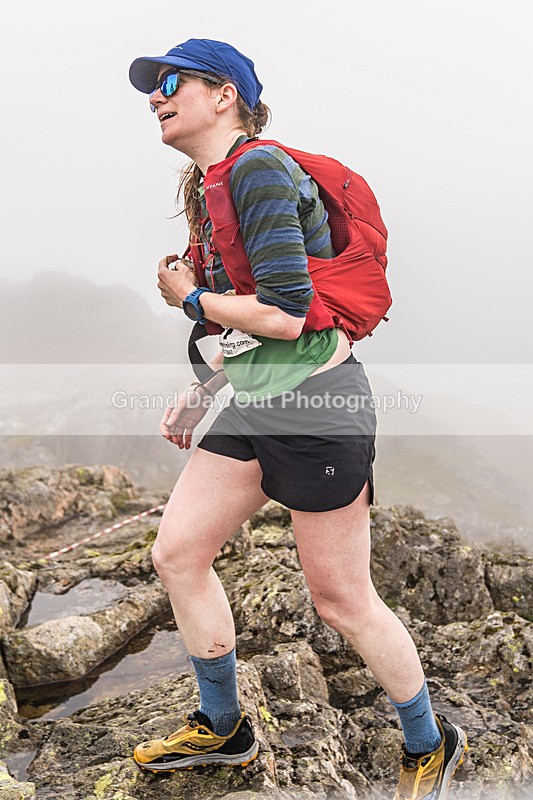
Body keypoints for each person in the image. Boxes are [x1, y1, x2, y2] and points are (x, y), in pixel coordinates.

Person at [128, 38, 467, 797]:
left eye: (171, 82)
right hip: (252, 403)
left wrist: (185, 298)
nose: (155, 96)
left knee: (340, 601)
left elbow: (285, 316)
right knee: (178, 553)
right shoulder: (209, 183)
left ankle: (428, 741)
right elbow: (251, 321)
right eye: (151, 88)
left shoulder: (258, 172)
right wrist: (206, 388)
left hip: (317, 410)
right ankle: (224, 731)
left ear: (225, 96)